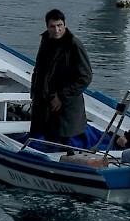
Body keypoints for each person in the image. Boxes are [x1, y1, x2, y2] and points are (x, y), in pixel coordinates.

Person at [30, 8, 93, 147]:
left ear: (65, 24)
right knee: (47, 138)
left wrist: (62, 96)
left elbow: (85, 76)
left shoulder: (74, 45)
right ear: (47, 27)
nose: (57, 30)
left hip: (65, 105)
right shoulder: (46, 41)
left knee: (65, 141)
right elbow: (39, 69)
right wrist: (34, 91)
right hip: (45, 103)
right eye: (52, 26)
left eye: (59, 26)